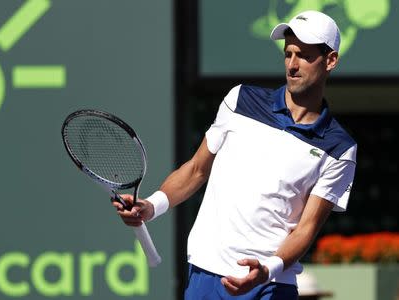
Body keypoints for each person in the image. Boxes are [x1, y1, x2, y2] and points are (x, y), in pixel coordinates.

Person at [113, 10, 357, 300]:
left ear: (330, 61)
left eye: (304, 55)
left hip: (269, 286)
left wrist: (267, 270)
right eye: (288, 53)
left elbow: (306, 229)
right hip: (204, 273)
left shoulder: (340, 148)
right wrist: (151, 206)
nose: (292, 65)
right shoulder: (239, 99)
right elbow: (196, 170)